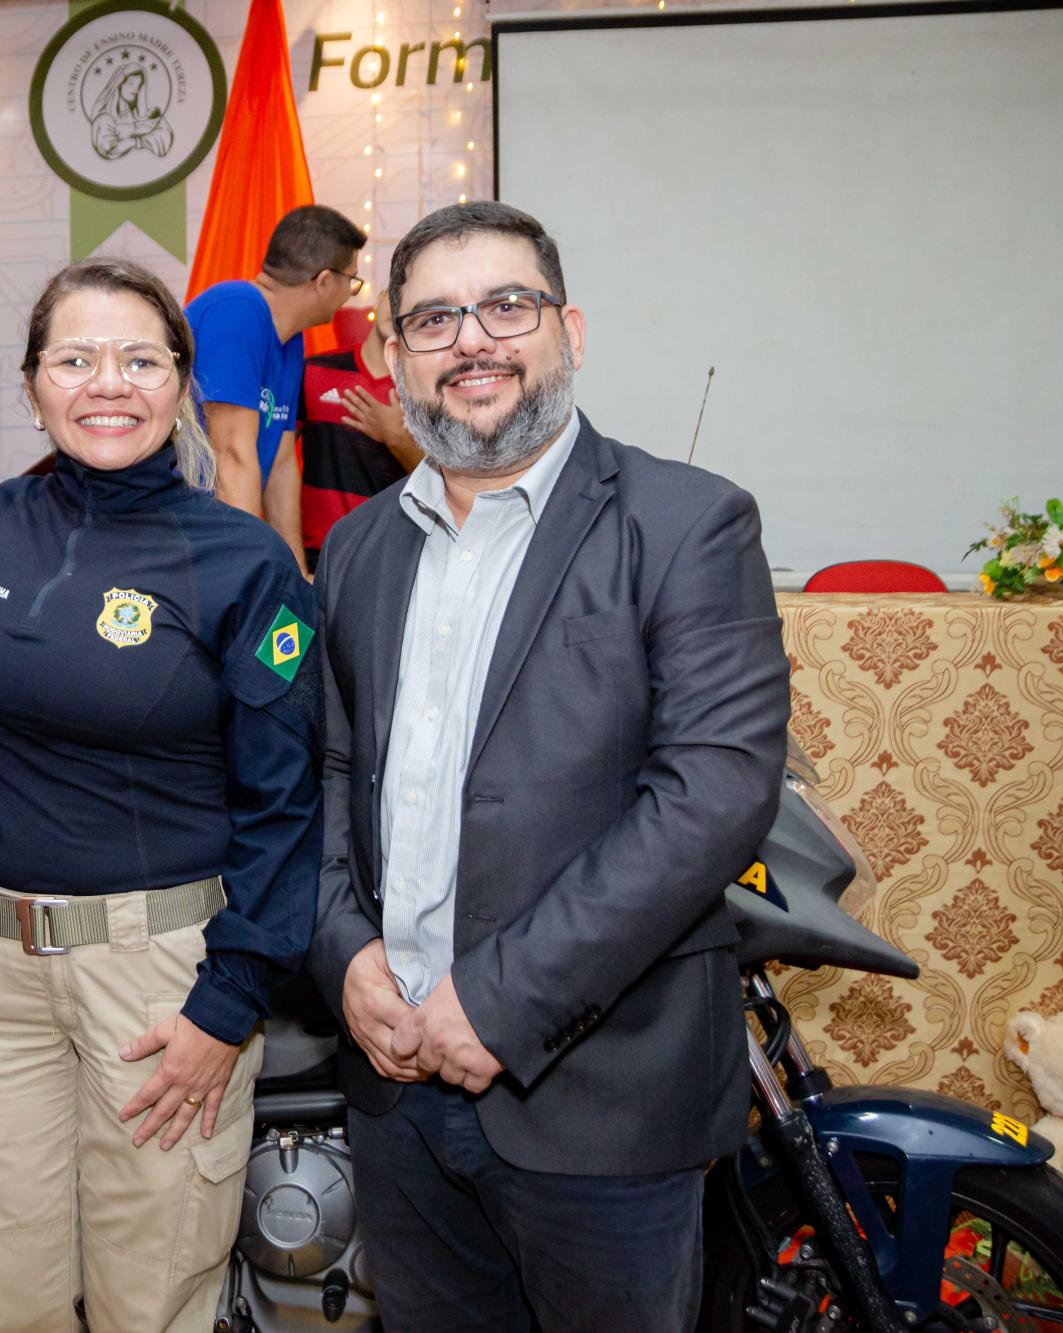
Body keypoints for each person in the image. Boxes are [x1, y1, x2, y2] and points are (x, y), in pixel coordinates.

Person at [307, 202, 790, 1332]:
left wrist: (499, 998)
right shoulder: (360, 547)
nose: (470, 339)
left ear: (567, 328)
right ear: (390, 356)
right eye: (431, 317)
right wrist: (344, 956)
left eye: (505, 305)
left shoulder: (686, 523)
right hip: (395, 1093)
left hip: (598, 1103)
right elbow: (326, 777)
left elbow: (710, 795)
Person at [0, 258, 321, 1333]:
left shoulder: (244, 563)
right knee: (2, 1297)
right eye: (74, 358)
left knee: (148, 1300)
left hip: (158, 983)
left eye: (139, 358)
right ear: (31, 384)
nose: (107, 383)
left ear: (182, 381)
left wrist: (226, 1002)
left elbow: (286, 805)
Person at [186, 204, 364, 563]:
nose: (352, 293)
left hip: (218, 537)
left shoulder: (290, 337)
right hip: (185, 539)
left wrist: (293, 572)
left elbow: (281, 463)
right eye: (352, 281)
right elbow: (231, 454)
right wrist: (251, 572)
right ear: (325, 281)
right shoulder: (238, 308)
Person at [297, 288, 422, 570]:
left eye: (410, 304)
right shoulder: (315, 371)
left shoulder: (423, 391)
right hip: (312, 560)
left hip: (387, 563)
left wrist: (397, 438)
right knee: (289, 618)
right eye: (392, 298)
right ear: (378, 301)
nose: (397, 309)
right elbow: (274, 463)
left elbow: (450, 486)